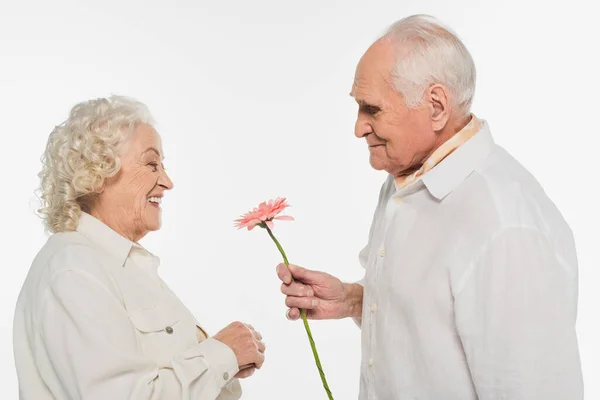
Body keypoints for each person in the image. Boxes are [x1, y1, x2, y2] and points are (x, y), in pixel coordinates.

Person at [276, 14, 583, 399]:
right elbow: (435, 312)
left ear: (436, 106)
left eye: (372, 109)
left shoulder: (505, 228)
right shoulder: (408, 175)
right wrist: (355, 300)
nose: (358, 127)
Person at [14, 96, 265, 399]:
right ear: (97, 172)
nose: (167, 181)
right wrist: (222, 354)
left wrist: (223, 364)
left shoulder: (114, 263)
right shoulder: (74, 272)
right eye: (151, 164)